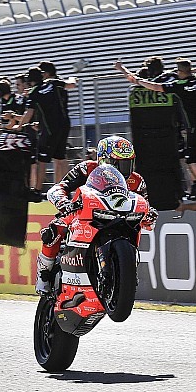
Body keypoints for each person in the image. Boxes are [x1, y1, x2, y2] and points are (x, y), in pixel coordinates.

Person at [35, 135, 156, 294]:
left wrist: (150, 215)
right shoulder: (87, 168)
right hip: (85, 213)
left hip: (121, 222)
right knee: (54, 231)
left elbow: (146, 207)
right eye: (119, 164)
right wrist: (64, 203)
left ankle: (120, 273)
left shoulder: (137, 181)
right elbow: (60, 187)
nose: (124, 169)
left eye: (128, 163)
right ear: (105, 161)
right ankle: (43, 275)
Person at [116, 58, 196, 200]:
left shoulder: (176, 84)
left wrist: (128, 74)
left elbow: (154, 86)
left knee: (190, 159)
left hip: (186, 127)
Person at [17, 65, 78, 194]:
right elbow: (72, 85)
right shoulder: (54, 83)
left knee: (42, 160)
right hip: (64, 125)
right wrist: (73, 77)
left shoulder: (34, 92)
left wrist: (19, 126)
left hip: (49, 129)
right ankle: (62, 191)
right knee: (60, 158)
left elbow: (28, 114)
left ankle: (37, 190)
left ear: (30, 81)